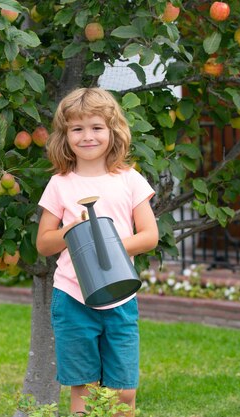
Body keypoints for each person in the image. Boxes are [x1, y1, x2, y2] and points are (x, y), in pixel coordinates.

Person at [36, 87, 159, 416]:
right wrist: (72, 232)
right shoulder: (60, 184)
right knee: (84, 388)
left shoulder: (130, 179)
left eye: (96, 127)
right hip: (73, 298)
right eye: (77, 129)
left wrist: (105, 244)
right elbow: (44, 243)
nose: (87, 136)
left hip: (119, 297)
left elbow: (149, 236)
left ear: (113, 131)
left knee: (124, 392)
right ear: (65, 136)